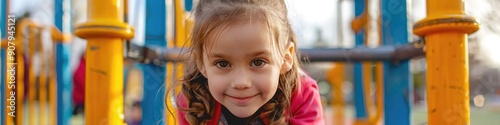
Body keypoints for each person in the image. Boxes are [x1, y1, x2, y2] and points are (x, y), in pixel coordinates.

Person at [172, 0, 325, 124]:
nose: (241, 82)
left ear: (285, 58)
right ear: (201, 62)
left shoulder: (301, 94)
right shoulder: (193, 101)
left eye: (258, 62)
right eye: (223, 64)